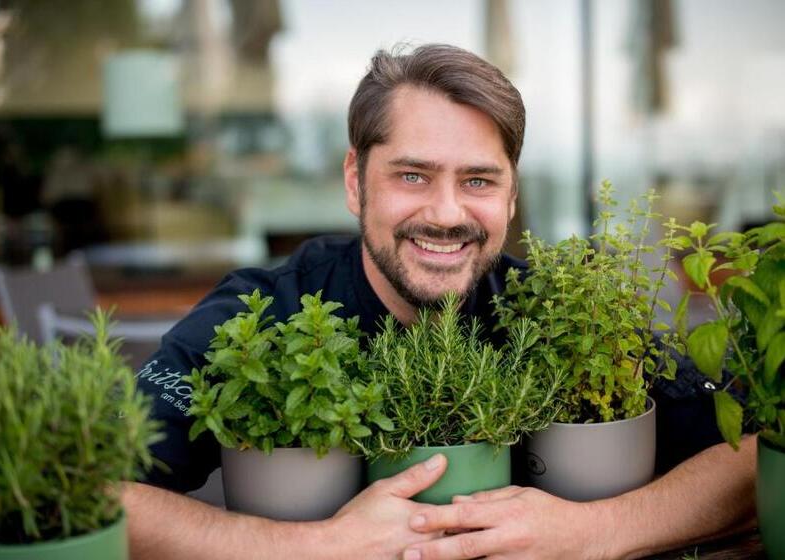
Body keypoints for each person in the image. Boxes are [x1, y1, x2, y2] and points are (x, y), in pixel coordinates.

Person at [124, 44, 756, 560]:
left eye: (478, 180)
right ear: (355, 181)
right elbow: (98, 493)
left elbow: (756, 454)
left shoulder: (561, 318)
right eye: (413, 175)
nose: (448, 213)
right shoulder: (259, 319)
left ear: (511, 197)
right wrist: (319, 546)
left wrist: (597, 531)